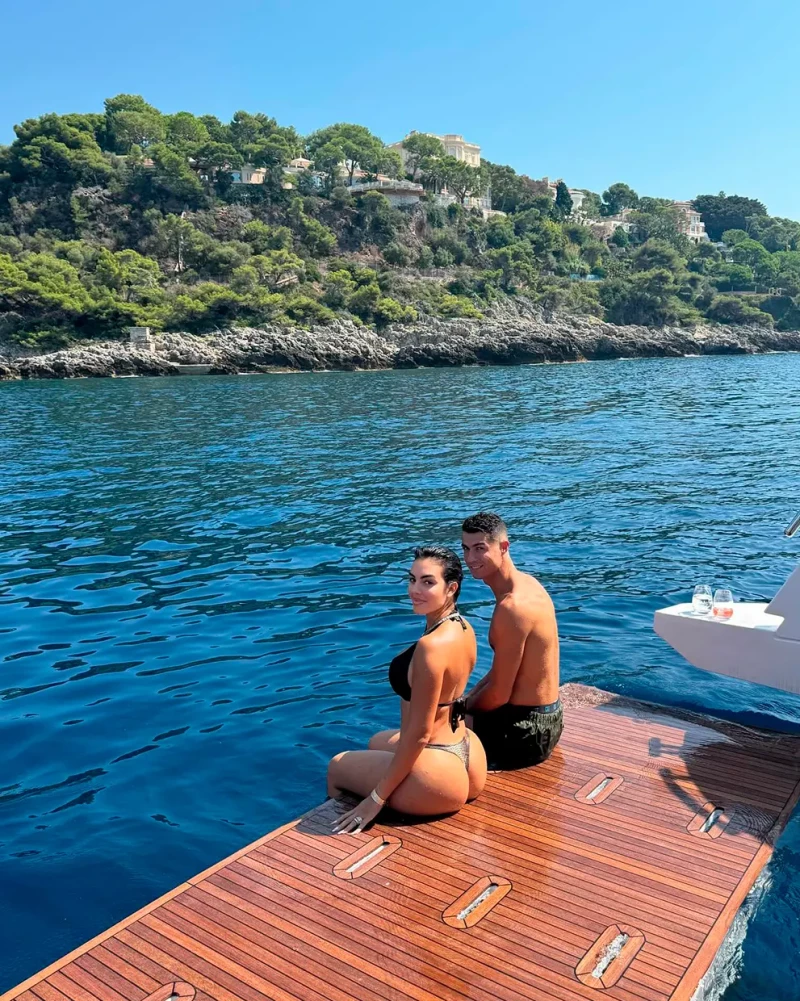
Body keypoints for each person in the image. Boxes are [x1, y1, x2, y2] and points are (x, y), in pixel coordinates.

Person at [328, 546, 487, 834]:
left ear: (451, 588)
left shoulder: (431, 647)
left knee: (337, 766)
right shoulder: (463, 627)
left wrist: (375, 799)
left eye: (428, 582)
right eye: (412, 579)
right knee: (376, 740)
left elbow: (419, 735)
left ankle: (333, 838)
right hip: (468, 754)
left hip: (437, 775)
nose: (415, 589)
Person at [461, 512, 562, 770]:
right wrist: (466, 701)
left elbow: (499, 694)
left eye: (480, 548)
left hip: (522, 732)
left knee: (426, 739)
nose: (470, 559)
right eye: (466, 549)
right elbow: (504, 672)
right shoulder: (529, 585)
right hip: (549, 719)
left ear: (503, 547)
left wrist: (458, 710)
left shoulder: (512, 608)